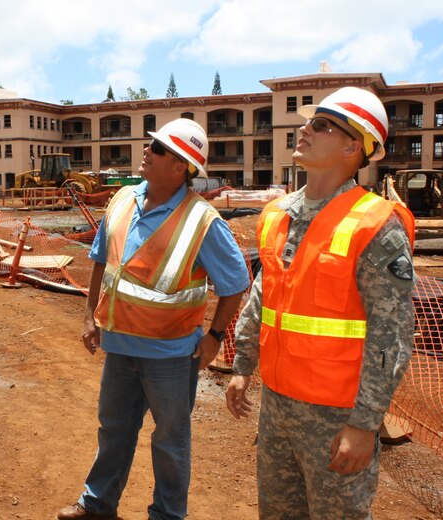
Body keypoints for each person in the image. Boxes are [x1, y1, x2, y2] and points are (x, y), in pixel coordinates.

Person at [226, 87, 416, 519]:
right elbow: (263, 298)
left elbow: (393, 333)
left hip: (337, 416)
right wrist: (242, 366)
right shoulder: (277, 214)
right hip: (278, 406)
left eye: (323, 125)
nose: (305, 129)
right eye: (309, 122)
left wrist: (366, 423)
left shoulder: (375, 224)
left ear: (354, 147)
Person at [57, 118, 250, 520]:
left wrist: (214, 336)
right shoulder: (123, 199)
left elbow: (235, 284)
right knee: (113, 430)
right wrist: (91, 317)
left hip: (172, 357)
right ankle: (97, 505)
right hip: (119, 347)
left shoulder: (202, 221)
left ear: (181, 166)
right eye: (152, 145)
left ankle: (166, 515)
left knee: (169, 442)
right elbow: (100, 262)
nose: (147, 151)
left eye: (158, 149)